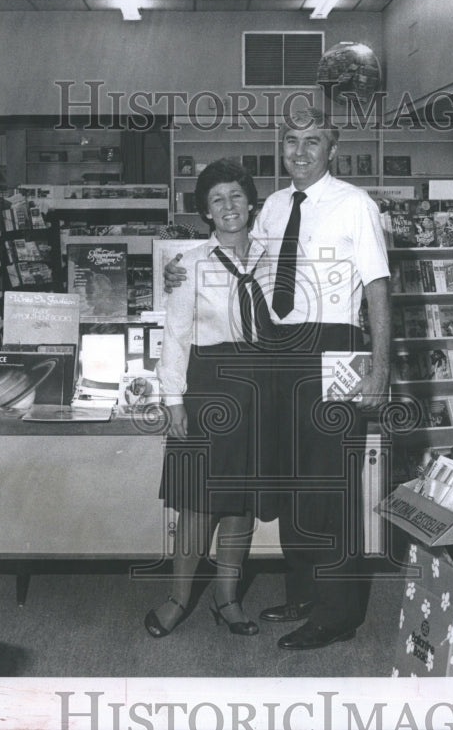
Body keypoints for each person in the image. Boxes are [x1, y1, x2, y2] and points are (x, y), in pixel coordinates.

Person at [164, 107, 391, 650]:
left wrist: (379, 369)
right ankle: (305, 591)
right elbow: (240, 258)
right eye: (292, 141)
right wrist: (176, 268)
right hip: (278, 352)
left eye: (313, 142)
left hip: (336, 347)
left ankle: (337, 614)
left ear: (332, 149)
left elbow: (379, 289)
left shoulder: (356, 204)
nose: (301, 151)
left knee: (331, 479)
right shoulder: (270, 207)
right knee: (292, 478)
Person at [146, 158, 272, 639]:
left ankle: (227, 599)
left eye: (236, 196)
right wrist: (174, 399)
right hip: (207, 388)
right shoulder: (189, 266)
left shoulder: (274, 260)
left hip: (259, 389)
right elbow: (175, 336)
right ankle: (179, 598)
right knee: (198, 504)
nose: (228, 206)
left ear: (251, 202)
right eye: (217, 199)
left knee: (240, 504)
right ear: (206, 212)